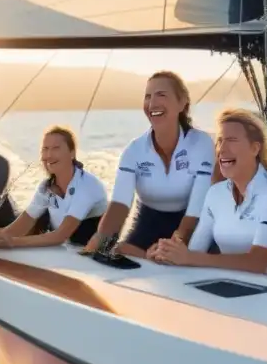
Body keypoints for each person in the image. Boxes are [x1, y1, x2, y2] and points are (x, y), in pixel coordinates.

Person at [152, 108, 267, 282]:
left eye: (232, 140)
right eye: (219, 141)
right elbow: (195, 253)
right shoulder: (215, 194)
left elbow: (257, 263)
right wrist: (167, 255)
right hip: (240, 293)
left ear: (255, 148)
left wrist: (189, 257)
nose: (222, 149)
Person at [82, 71, 214, 259]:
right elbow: (119, 207)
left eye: (161, 95)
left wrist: (172, 247)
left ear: (182, 102)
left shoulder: (201, 143)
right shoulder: (134, 150)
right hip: (147, 224)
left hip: (191, 226)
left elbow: (196, 209)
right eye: (147, 97)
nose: (152, 104)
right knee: (114, 252)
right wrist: (97, 245)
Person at [0, 125, 108, 249]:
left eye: (56, 148)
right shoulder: (45, 188)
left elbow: (61, 235)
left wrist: (15, 242)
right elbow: (14, 230)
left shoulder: (87, 186)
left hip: (91, 256)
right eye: (45, 149)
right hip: (65, 251)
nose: (49, 155)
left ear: (72, 153)